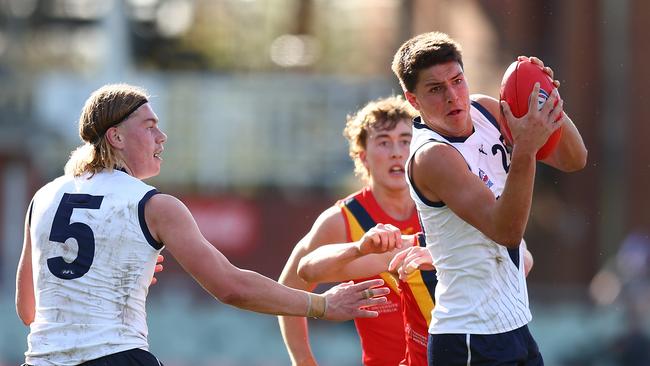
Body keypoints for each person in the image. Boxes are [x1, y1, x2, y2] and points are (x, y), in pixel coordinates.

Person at [14, 83, 390, 366]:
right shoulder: (154, 204)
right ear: (115, 136)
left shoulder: (44, 196)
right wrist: (322, 304)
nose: (162, 136)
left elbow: (28, 310)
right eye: (149, 126)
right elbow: (230, 287)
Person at [391, 31, 587, 365]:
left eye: (457, 81)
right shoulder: (431, 157)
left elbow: (574, 158)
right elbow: (506, 230)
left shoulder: (486, 111)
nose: (453, 96)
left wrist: (546, 99)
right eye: (436, 89)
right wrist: (525, 149)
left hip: (515, 325)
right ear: (413, 100)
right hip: (470, 337)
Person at [278, 96, 420, 366]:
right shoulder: (341, 220)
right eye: (383, 142)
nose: (396, 152)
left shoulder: (443, 207)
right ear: (363, 157)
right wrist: (302, 360)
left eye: (405, 139)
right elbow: (288, 289)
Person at [297, 224, 534, 366]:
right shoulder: (411, 248)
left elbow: (522, 262)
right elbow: (307, 269)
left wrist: (447, 260)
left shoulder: (500, 239)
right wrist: (359, 247)